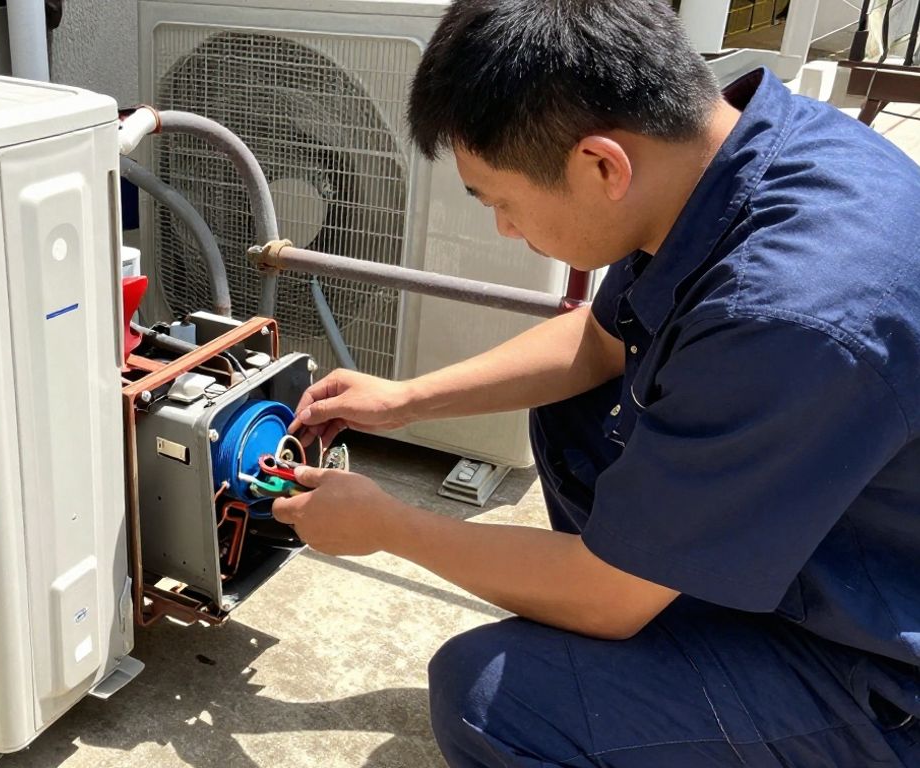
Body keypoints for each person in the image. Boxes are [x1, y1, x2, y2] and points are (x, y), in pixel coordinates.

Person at [270, 1, 920, 765]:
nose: (504, 229)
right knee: (578, 410)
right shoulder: (733, 155)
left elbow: (606, 600)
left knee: (492, 703)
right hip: (841, 530)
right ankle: (673, 597)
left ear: (603, 165)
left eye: (502, 203)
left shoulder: (787, 314)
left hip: (879, 669)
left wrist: (389, 526)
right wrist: (407, 399)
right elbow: (598, 341)